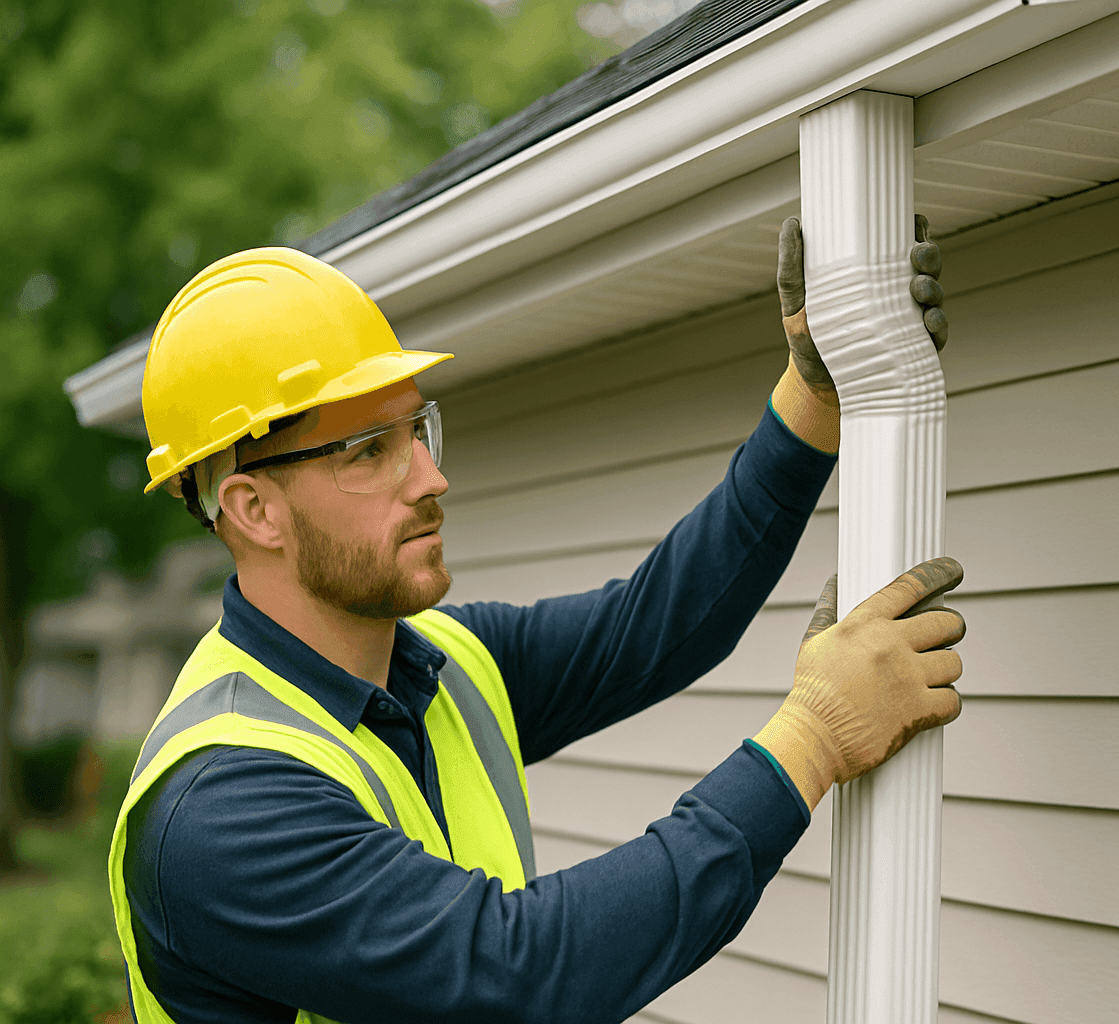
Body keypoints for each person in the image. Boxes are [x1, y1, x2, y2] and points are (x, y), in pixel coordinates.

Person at [108, 217, 966, 1024]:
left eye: (415, 431)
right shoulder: (220, 807)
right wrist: (814, 739)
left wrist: (814, 397)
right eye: (369, 451)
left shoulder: (442, 662)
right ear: (254, 511)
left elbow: (656, 626)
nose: (430, 479)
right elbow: (521, 975)